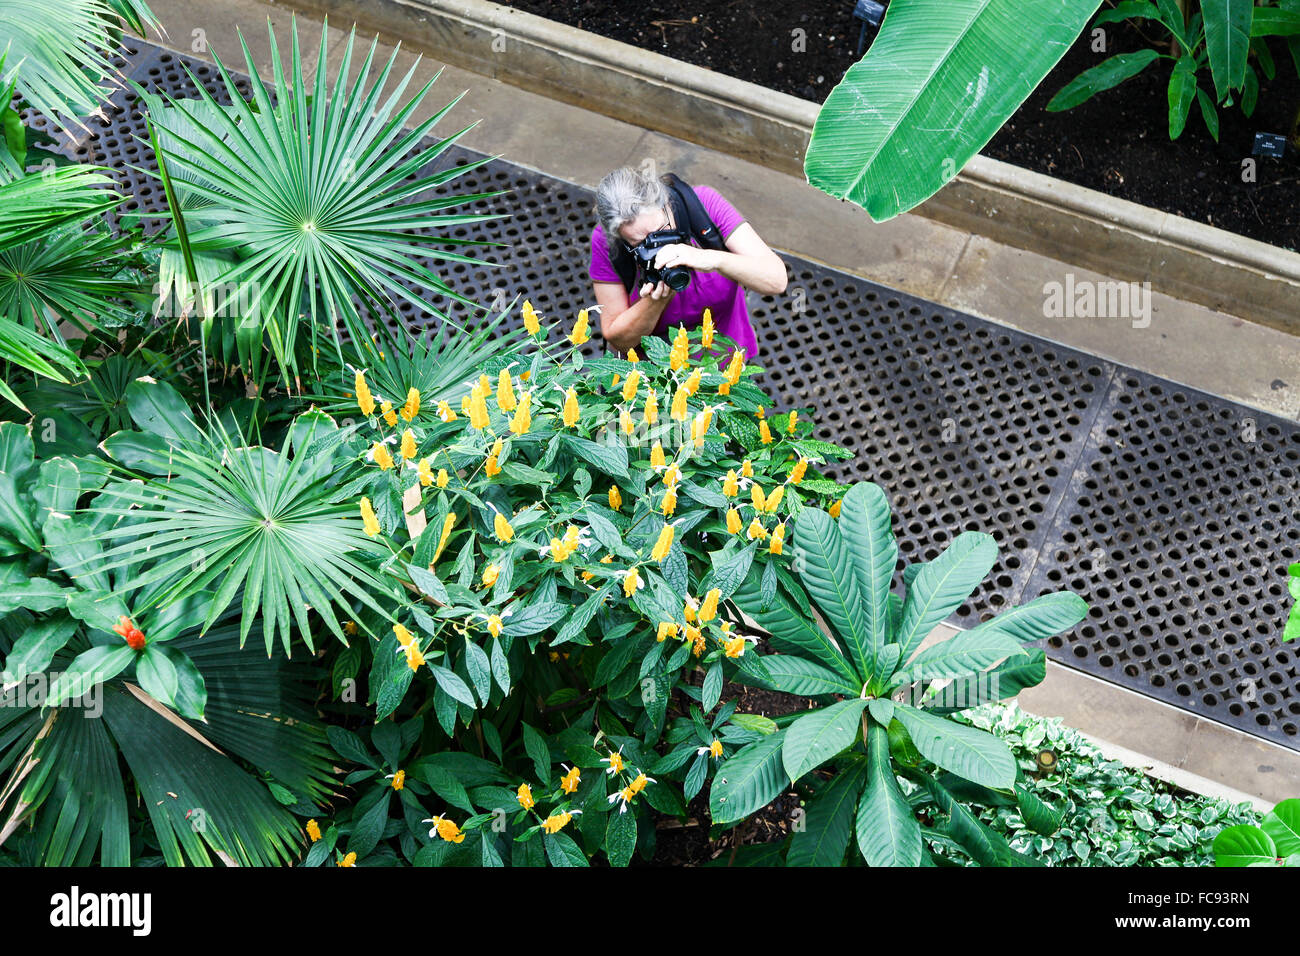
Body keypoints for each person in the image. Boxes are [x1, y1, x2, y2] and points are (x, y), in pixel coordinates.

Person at [588, 166, 787, 359]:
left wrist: (711, 259)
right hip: (656, 376)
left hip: (724, 361)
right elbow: (620, 342)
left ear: (666, 202)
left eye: (662, 231)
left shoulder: (702, 205)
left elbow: (776, 280)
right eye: (643, 244)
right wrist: (656, 301)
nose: (659, 247)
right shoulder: (606, 242)